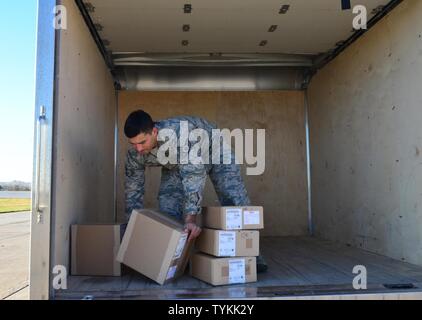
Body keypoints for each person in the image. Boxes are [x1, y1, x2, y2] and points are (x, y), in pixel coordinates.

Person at [124, 110, 267, 272]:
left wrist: (191, 219)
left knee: (234, 200)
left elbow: (194, 176)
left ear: (154, 132)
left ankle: (253, 255)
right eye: (133, 144)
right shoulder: (134, 155)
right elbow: (133, 191)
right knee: (168, 207)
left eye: (142, 142)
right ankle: (174, 260)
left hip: (214, 150)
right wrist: (131, 231)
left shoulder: (180, 137)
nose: (138, 149)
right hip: (176, 163)